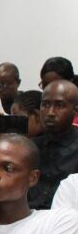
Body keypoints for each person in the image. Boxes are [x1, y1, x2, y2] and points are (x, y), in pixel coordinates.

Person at [29, 80, 78, 209]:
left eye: (60, 105)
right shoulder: (29, 147)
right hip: (28, 220)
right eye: (45, 104)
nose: (50, 112)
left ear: (76, 111)